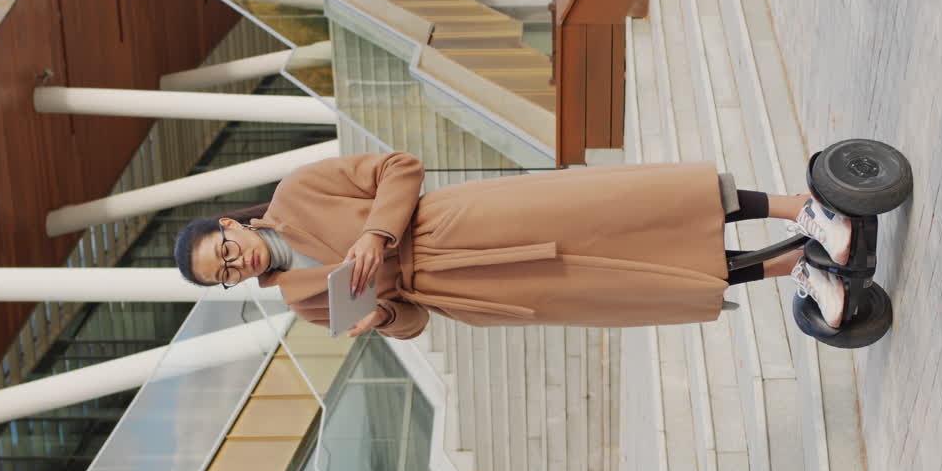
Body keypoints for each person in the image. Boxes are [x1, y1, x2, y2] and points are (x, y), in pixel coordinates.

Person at [174, 152, 853, 339]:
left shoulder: (298, 191)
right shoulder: (303, 304)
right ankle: (795, 265)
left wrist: (377, 235)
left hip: (468, 223)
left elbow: (398, 168)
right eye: (225, 274)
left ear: (230, 226)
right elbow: (414, 322)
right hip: (473, 290)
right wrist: (382, 319)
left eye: (224, 249)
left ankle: (804, 209)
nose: (237, 262)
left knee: (635, 210)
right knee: (634, 283)